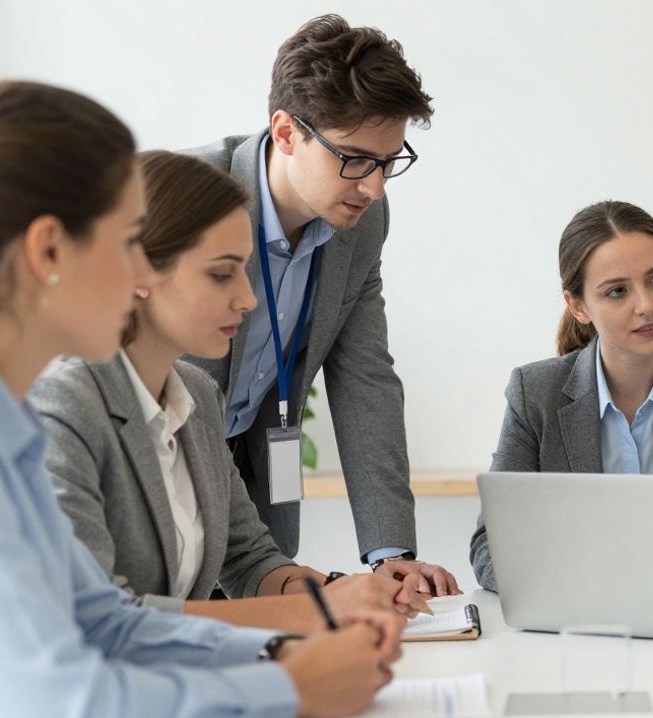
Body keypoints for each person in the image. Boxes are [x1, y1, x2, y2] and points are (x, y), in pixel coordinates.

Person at [0, 80, 403, 718]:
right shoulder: (30, 422)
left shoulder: (11, 428)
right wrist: (290, 685)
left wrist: (294, 647)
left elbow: (107, 624)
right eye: (126, 242)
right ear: (49, 251)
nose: (136, 273)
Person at [31, 151, 430, 633]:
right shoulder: (59, 409)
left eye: (244, 269)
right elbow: (95, 617)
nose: (248, 299)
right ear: (136, 272)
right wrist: (315, 615)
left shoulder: (195, 397)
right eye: (222, 273)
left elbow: (250, 558)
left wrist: (345, 593)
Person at [182, 14, 459, 595]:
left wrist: (391, 553)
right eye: (356, 159)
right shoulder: (186, 194)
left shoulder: (363, 221)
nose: (375, 186)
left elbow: (366, 380)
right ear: (286, 132)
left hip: (251, 490)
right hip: (164, 467)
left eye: (389, 161)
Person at [469, 201, 653, 590]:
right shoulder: (535, 394)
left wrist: (642, 583)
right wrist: (599, 588)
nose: (647, 305)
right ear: (578, 307)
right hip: (574, 627)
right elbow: (492, 546)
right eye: (617, 291)